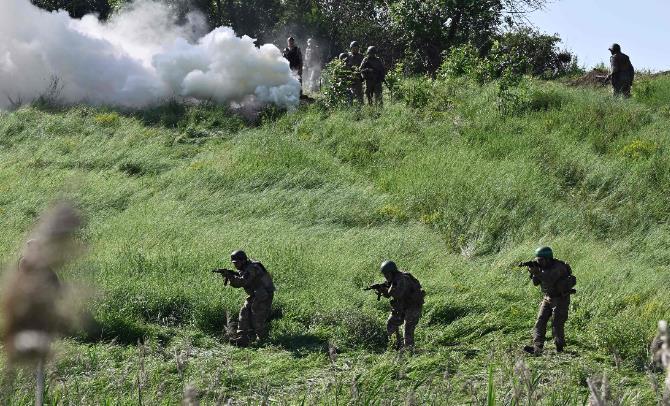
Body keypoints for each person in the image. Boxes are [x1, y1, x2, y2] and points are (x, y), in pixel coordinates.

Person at [521, 247, 576, 355]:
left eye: (541, 260)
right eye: (537, 260)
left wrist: (537, 272)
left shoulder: (558, 267)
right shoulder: (541, 267)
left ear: (548, 259)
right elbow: (536, 283)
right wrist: (533, 272)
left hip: (561, 299)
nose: (538, 262)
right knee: (540, 321)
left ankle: (559, 348)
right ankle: (537, 347)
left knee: (557, 324)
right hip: (548, 297)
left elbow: (549, 280)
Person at [218, 250, 275, 347]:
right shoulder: (246, 267)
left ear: (243, 260)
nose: (235, 265)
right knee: (244, 312)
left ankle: (264, 340)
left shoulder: (251, 268)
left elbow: (241, 282)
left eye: (237, 263)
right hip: (256, 294)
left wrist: (230, 276)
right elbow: (242, 275)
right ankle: (242, 338)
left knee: (257, 317)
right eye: (234, 263)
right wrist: (231, 273)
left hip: (264, 295)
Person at [369, 260, 425, 351]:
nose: (385, 277)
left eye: (387, 274)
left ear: (392, 272)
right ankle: (396, 346)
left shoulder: (402, 279)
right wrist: (381, 289)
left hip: (413, 307)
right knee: (391, 324)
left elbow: (397, 294)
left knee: (407, 331)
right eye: (384, 275)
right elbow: (388, 294)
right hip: (402, 307)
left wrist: (384, 290)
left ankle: (409, 352)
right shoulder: (392, 280)